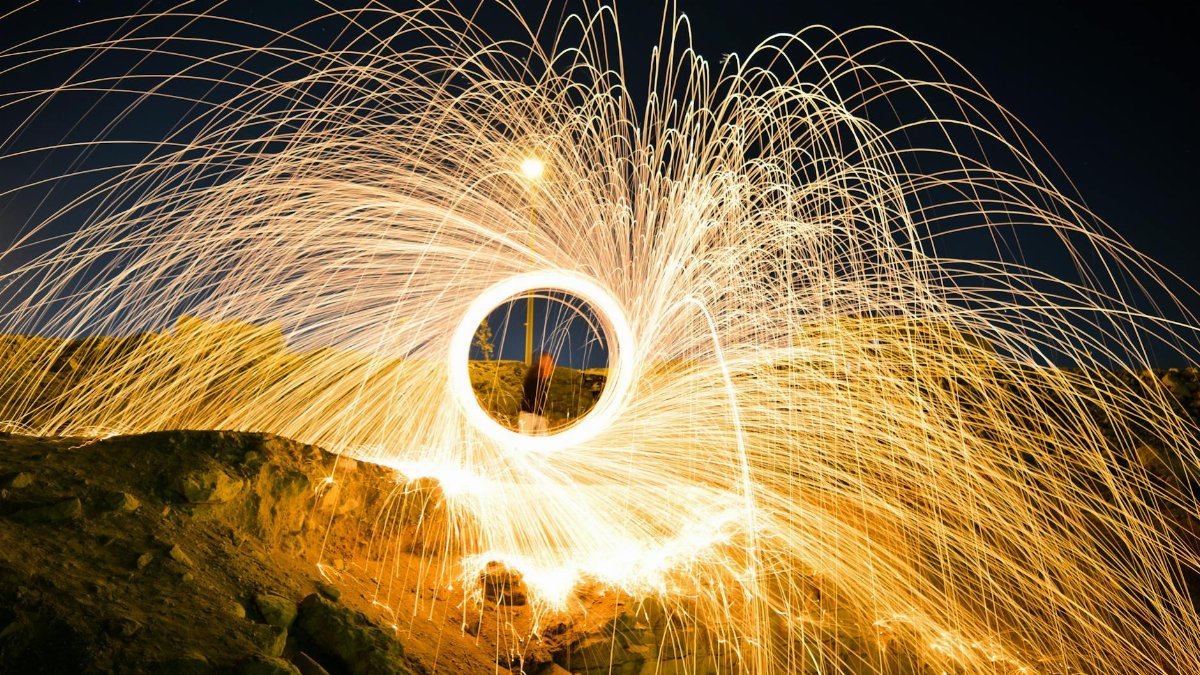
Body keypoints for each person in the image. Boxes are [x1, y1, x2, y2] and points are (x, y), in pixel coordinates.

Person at [518, 352, 554, 435]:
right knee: (526, 443)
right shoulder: (534, 374)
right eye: (547, 362)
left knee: (543, 442)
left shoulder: (543, 379)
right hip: (528, 416)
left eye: (550, 363)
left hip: (538, 416)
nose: (550, 366)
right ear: (541, 361)